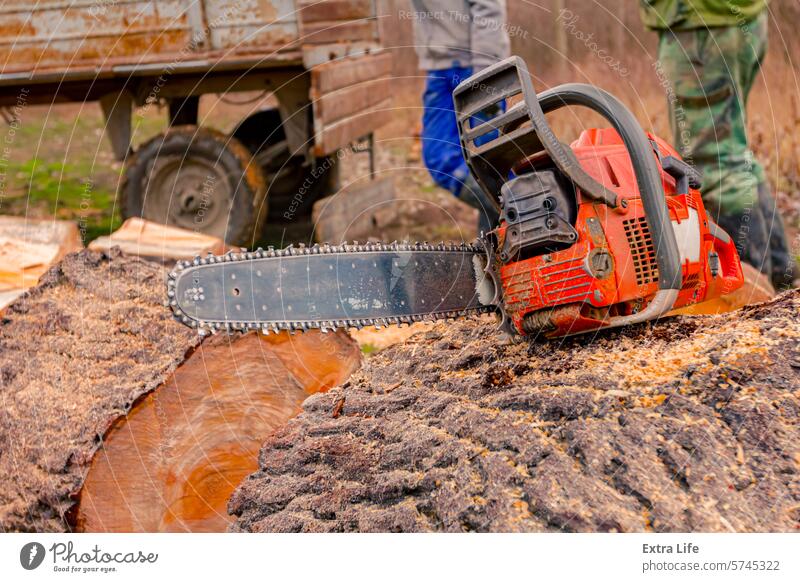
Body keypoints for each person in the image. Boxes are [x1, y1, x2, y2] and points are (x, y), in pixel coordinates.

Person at [640, 0, 795, 289]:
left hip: (701, 28)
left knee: (712, 163)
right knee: (732, 154)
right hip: (732, 19)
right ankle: (780, 278)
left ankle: (752, 293)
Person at [411, 0, 511, 234]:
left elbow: (489, 7)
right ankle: (515, 211)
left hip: (474, 66)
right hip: (439, 68)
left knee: (491, 164)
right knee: (439, 158)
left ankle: (506, 242)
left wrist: (485, 75)